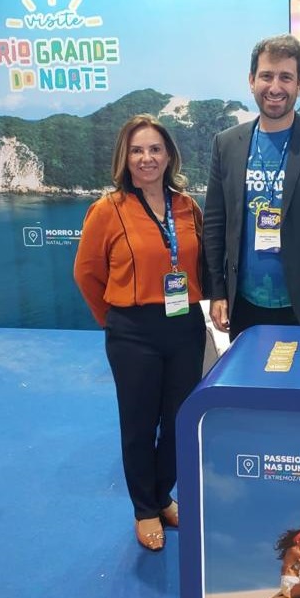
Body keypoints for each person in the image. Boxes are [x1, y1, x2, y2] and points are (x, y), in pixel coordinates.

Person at [74, 114, 206, 552]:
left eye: (154, 149)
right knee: (139, 424)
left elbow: (199, 263)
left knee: (180, 420)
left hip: (185, 325)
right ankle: (144, 508)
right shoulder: (107, 209)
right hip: (133, 331)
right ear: (124, 158)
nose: (146, 158)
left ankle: (162, 495)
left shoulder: (187, 206)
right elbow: (87, 273)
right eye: (137, 150)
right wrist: (114, 320)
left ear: (169, 156)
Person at [203, 34, 300, 339]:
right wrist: (217, 291)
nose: (275, 87)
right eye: (266, 76)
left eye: (286, 77)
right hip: (243, 305)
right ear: (251, 80)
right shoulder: (226, 144)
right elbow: (215, 223)